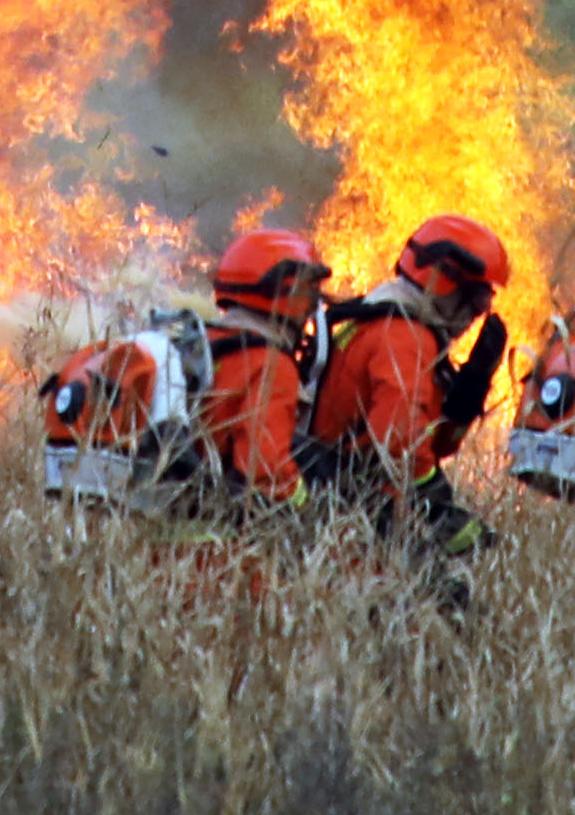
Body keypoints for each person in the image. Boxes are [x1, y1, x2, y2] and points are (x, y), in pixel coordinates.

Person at [304, 213, 508, 582]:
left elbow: (427, 444)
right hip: (348, 514)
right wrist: (439, 507)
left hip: (360, 503)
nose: (477, 316)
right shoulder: (402, 338)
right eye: (476, 302)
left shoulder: (394, 320)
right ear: (444, 283)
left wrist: (469, 393)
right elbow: (397, 441)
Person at [192, 225, 325, 517]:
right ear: (283, 293)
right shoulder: (271, 364)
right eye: (309, 291)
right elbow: (265, 469)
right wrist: (308, 510)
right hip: (210, 518)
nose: (313, 305)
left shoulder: (209, 339)